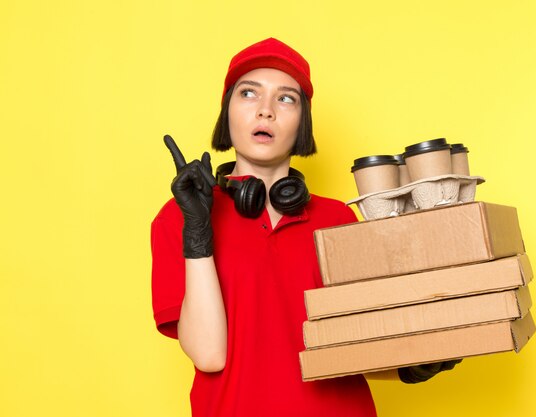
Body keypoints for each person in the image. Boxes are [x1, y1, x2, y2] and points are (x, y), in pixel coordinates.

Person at [151, 38, 459, 417]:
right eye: (249, 93)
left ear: (302, 122)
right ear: (226, 111)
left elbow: (347, 348)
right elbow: (210, 356)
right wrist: (198, 232)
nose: (266, 111)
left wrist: (409, 366)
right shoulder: (180, 218)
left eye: (286, 99)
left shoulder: (338, 220)